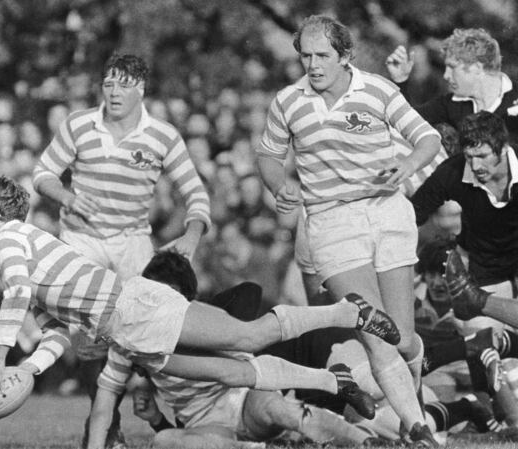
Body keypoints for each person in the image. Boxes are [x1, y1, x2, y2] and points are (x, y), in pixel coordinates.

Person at [0, 173, 400, 448]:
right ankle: (332, 380)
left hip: (137, 308)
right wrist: (30, 371)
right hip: (126, 331)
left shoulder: (9, 239)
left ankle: (345, 312)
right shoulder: (24, 256)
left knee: (247, 339)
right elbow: (54, 333)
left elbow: (16, 289)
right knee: (233, 372)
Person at [256, 15, 443, 447]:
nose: (313, 65)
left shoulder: (377, 89)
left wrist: (408, 166)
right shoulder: (287, 101)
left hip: (387, 214)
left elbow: (427, 138)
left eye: (322, 55)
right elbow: (268, 154)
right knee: (376, 333)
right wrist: (277, 183)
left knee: (404, 336)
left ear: (345, 55)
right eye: (306, 55)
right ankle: (419, 432)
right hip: (330, 222)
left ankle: (409, 404)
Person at [132, 251, 507, 447]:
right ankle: (463, 401)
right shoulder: (134, 337)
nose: (152, 303)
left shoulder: (201, 318)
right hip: (240, 407)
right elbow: (112, 395)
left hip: (298, 370)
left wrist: (226, 330)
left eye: (160, 296)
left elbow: (246, 304)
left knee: (370, 396)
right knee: (164, 440)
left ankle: (367, 431)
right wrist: (152, 419)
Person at [31, 53, 211, 447]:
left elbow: (195, 193)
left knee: (142, 335)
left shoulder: (162, 136)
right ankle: (105, 429)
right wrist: (66, 196)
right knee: (93, 340)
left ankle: (174, 423)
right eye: (108, 83)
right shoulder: (79, 124)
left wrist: (193, 235)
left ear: (141, 89)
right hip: (82, 239)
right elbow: (43, 173)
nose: (114, 92)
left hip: (132, 242)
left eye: (124, 84)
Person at [412, 112, 518, 326]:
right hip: (487, 266)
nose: (476, 166)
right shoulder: (453, 171)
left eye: (483, 156)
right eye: (470, 156)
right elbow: (411, 215)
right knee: (481, 339)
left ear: (504, 147)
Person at [385, 28, 518, 143]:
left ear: (477, 68)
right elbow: (406, 122)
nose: (446, 75)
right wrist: (400, 81)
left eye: (452, 67)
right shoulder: (449, 104)